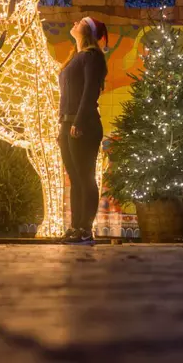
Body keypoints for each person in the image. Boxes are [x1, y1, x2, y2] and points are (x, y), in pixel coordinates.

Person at [58, 17, 109, 245]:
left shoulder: (92, 57)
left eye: (80, 22)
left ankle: (86, 229)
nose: (75, 22)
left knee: (85, 177)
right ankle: (75, 228)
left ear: (87, 31)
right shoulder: (74, 58)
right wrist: (62, 123)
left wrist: (77, 122)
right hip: (68, 124)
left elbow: (89, 92)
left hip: (85, 124)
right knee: (75, 179)